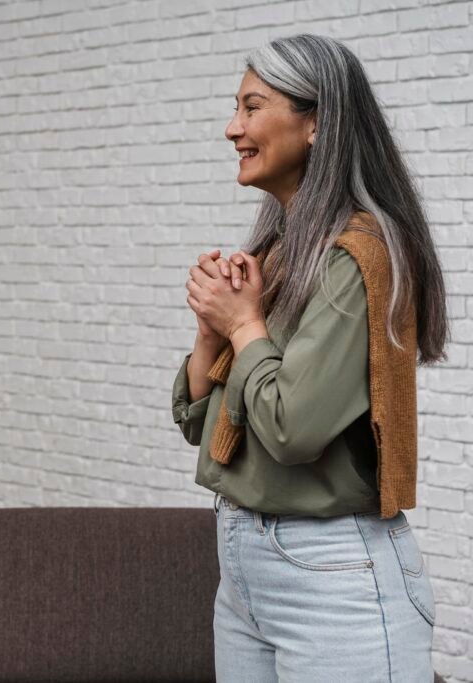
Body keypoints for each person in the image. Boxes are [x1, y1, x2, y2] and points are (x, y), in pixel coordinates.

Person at [172, 34, 448, 681]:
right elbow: (204, 427)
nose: (231, 127)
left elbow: (292, 429)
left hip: (332, 576)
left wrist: (243, 324)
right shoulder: (278, 250)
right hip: (245, 563)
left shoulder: (360, 257)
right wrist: (214, 332)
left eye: (251, 106)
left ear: (317, 120)